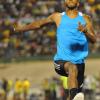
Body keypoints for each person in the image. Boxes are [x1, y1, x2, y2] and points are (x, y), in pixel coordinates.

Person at [13, 0, 96, 99]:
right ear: (65, 2)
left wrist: (85, 31)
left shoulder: (85, 18)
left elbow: (94, 39)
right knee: (72, 68)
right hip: (61, 61)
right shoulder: (57, 17)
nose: (70, 0)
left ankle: (72, 97)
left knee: (73, 93)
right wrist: (20, 29)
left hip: (80, 64)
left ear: (78, 3)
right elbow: (39, 24)